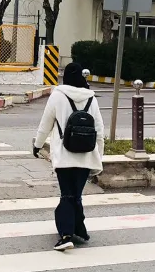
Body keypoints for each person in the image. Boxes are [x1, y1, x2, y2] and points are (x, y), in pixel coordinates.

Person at [32, 63, 105, 251]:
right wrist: (99, 157)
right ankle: (79, 230)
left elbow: (45, 124)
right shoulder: (91, 98)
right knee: (76, 194)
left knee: (67, 194)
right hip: (86, 155)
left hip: (64, 155)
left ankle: (66, 235)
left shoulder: (58, 95)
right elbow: (99, 131)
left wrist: (37, 145)